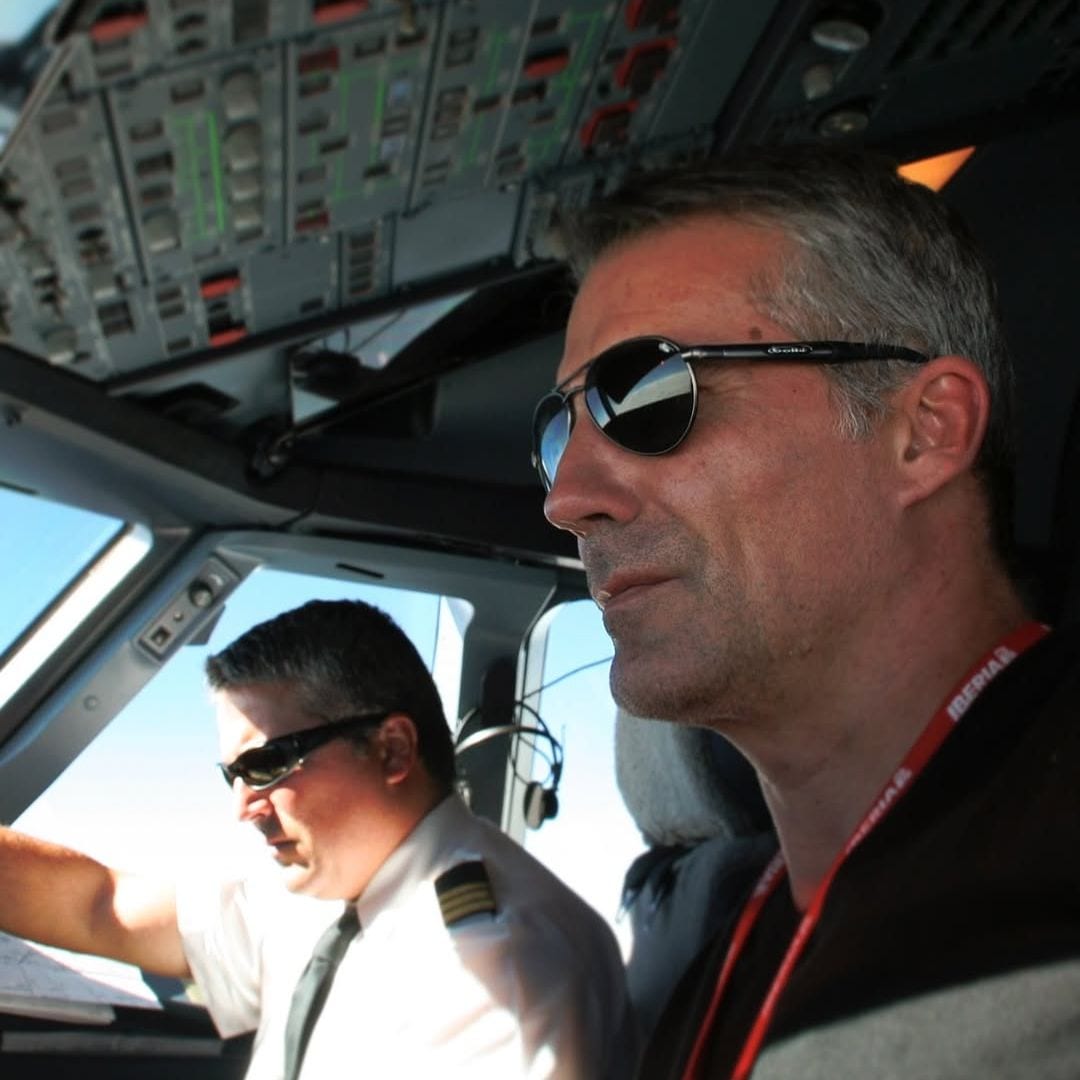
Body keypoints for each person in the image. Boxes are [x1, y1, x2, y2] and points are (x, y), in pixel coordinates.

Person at [532, 146, 1080, 1078]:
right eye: (559, 429)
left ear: (925, 431)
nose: (567, 495)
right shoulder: (729, 960)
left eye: (649, 394)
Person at [0, 599, 636, 1079]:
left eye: (266, 766)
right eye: (231, 775)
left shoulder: (494, 973)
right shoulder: (327, 896)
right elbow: (100, 906)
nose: (243, 808)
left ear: (391, 749)